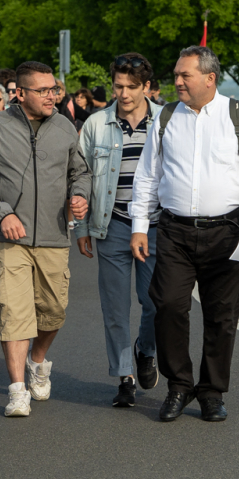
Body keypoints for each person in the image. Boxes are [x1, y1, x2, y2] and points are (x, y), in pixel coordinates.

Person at [130, 46, 239, 423]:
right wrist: (140, 226)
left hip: (228, 231)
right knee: (167, 306)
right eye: (176, 75)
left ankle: (212, 392)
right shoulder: (165, 118)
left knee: (221, 315)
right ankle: (179, 386)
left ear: (209, 79)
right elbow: (147, 176)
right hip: (174, 231)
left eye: (185, 75)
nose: (177, 81)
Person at [0, 61, 91, 417]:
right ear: (20, 93)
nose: (51, 96)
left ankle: (38, 360)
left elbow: (80, 172)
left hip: (54, 235)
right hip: (10, 239)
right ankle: (17, 390)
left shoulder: (64, 127)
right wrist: (1, 212)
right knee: (14, 311)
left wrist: (80, 196)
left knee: (54, 312)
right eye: (43, 90)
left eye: (54, 90)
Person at [75, 53, 161, 407]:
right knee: (115, 307)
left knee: (155, 301)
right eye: (118, 86)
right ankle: (125, 376)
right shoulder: (96, 124)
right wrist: (81, 227)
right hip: (111, 225)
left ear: (147, 87)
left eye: (131, 87)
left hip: (155, 226)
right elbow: (80, 175)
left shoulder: (166, 121)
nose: (123, 94)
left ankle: (146, 349)